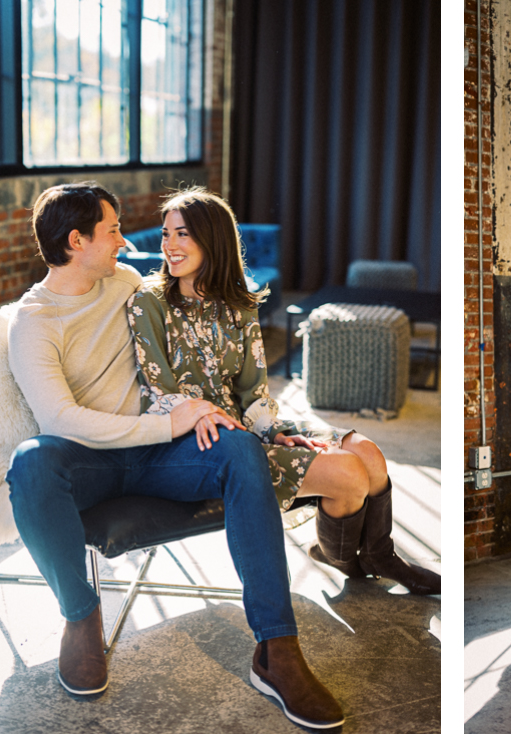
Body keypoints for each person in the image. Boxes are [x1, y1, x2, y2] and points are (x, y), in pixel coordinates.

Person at [5, 182, 343, 729]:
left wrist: (240, 418)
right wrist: (167, 421)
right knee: (30, 460)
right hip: (90, 463)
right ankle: (81, 613)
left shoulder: (129, 284)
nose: (126, 240)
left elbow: (189, 341)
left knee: (236, 448)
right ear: (76, 240)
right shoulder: (33, 322)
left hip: (161, 458)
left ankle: (276, 649)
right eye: (113, 230)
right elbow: (59, 421)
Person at [124, 187, 440, 598]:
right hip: (205, 441)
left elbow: (252, 388)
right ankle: (352, 555)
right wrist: (203, 414)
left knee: (369, 454)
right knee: (347, 473)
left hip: (248, 424)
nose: (169, 245)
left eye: (182, 234)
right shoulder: (148, 302)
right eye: (166, 234)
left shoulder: (238, 303)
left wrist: (272, 431)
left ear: (211, 238)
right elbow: (157, 389)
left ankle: (374, 555)